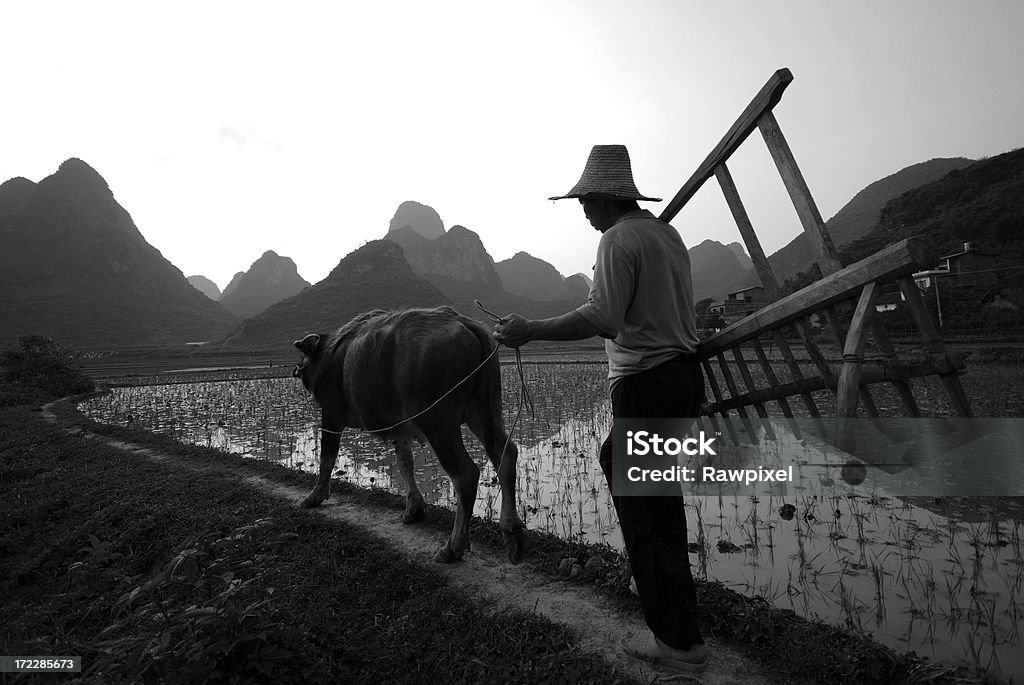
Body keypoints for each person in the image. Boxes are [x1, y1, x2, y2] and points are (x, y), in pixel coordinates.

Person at [492, 144, 708, 674]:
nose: (583, 211)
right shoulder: (667, 235)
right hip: (681, 378)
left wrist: (530, 332)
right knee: (654, 498)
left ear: (604, 197)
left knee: (647, 508)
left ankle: (678, 644)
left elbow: (605, 316)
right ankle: (668, 606)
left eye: (585, 201)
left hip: (647, 382)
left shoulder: (617, 240)